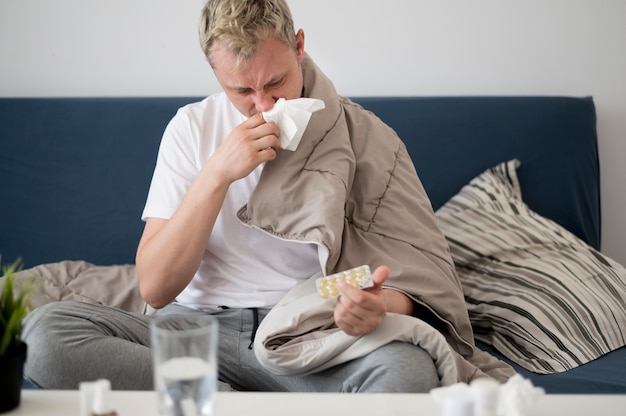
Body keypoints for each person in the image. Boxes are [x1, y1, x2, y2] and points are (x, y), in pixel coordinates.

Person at [23, 0, 513, 392]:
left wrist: (376, 306)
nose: (263, 106)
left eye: (276, 83)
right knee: (45, 336)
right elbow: (154, 288)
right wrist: (217, 173)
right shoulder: (190, 129)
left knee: (407, 369)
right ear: (214, 74)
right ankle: (229, 401)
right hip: (193, 333)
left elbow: (419, 282)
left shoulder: (368, 137)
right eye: (242, 92)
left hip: (307, 335)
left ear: (299, 46)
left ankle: (206, 401)